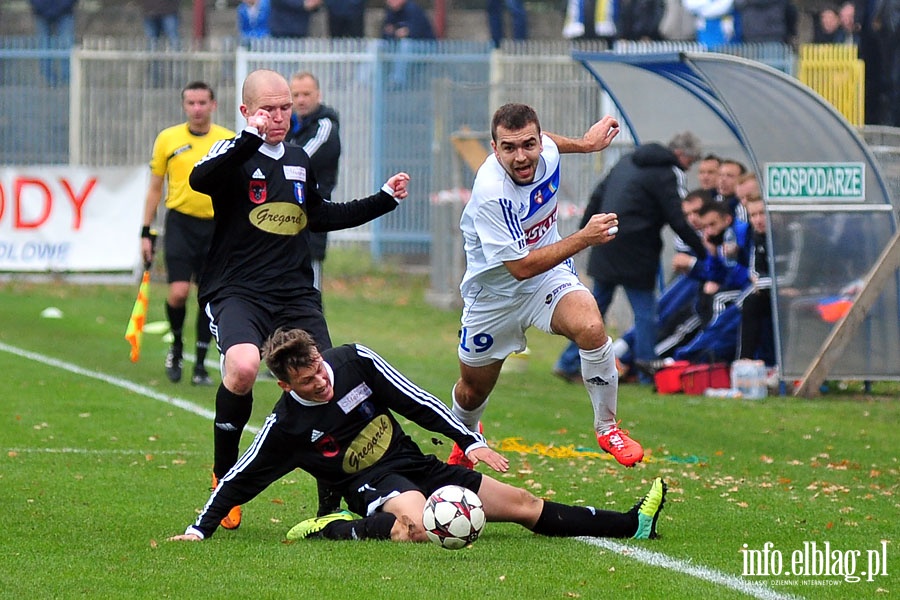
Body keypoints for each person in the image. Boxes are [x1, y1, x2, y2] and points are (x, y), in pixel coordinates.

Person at [167, 328, 667, 543]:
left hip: (416, 464)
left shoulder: (354, 361)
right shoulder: (286, 426)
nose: (321, 379)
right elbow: (241, 476)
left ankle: (632, 526)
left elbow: (418, 402)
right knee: (421, 528)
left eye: (319, 367)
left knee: (522, 504)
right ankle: (335, 526)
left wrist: (470, 442)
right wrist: (198, 529)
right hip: (373, 486)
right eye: (307, 381)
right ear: (285, 385)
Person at [188, 68, 410, 531]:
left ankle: (331, 503)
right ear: (246, 111)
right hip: (237, 291)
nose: (279, 116)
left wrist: (382, 200)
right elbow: (200, 180)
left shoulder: (297, 157)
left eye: (286, 107)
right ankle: (223, 476)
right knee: (244, 367)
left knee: (326, 379)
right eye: (268, 108)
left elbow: (318, 216)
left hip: (294, 293)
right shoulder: (231, 150)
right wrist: (249, 139)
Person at [445, 103, 644, 470]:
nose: (521, 157)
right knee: (472, 390)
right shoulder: (492, 193)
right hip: (495, 295)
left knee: (591, 327)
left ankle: (607, 428)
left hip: (547, 277)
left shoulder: (545, 149)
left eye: (528, 144)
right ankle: (465, 437)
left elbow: (550, 142)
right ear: (494, 148)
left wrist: (586, 144)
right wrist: (583, 237)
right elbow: (520, 267)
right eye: (509, 148)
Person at [554, 132, 708, 387]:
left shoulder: (626, 161)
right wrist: (701, 250)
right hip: (638, 250)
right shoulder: (668, 173)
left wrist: (584, 235)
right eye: (690, 163)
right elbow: (677, 217)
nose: (688, 168)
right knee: (646, 313)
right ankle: (647, 371)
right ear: (683, 156)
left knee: (595, 309)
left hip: (606, 241)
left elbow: (597, 195)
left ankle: (568, 362)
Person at [141, 81, 235, 387]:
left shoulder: (227, 139)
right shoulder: (168, 139)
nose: (197, 109)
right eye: (191, 103)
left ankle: (200, 363)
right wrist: (146, 232)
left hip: (216, 226)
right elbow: (155, 187)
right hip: (180, 224)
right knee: (179, 292)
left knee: (208, 298)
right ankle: (177, 346)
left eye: (202, 103)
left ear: (213, 105)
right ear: (184, 106)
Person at [286, 71, 341, 290]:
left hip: (311, 216)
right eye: (296, 94)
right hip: (285, 213)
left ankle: (312, 325)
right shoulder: (290, 126)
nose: (301, 100)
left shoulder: (325, 127)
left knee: (310, 289)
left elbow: (297, 161)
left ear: (318, 94)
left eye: (306, 94)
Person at [738, 194, 775, 364]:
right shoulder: (756, 236)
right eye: (753, 215)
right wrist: (764, 283)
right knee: (750, 302)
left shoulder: (790, 233)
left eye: (762, 213)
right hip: (771, 292)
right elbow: (753, 272)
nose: (758, 220)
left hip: (803, 291)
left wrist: (763, 283)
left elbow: (794, 276)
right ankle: (745, 363)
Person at [29, 0, 78, 86]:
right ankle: (48, 80)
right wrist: (39, 6)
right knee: (44, 47)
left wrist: (65, 5)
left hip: (65, 11)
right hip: (41, 12)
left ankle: (68, 81)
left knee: (66, 46)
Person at [715, 158, 747, 222]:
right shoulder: (711, 201)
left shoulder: (744, 205)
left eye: (729, 176)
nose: (723, 179)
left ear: (741, 180)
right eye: (720, 175)